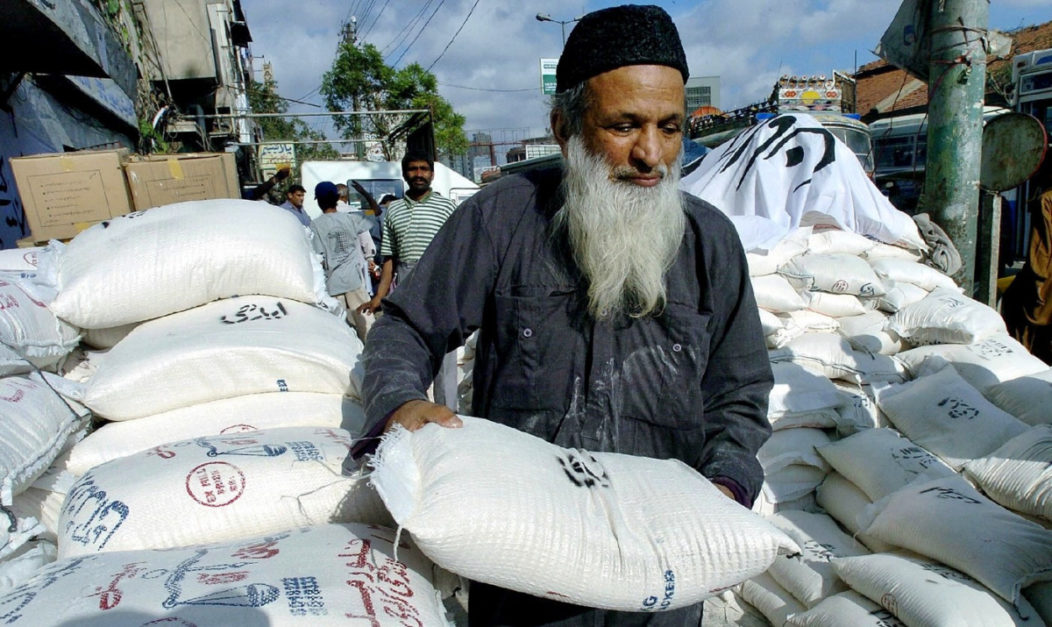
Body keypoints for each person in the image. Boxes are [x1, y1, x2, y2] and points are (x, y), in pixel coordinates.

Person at [355, 5, 773, 625]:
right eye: (624, 125)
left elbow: (739, 394)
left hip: (662, 578)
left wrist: (723, 488)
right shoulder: (501, 218)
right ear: (565, 127)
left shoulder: (710, 243)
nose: (651, 154)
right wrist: (399, 401)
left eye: (670, 126)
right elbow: (405, 330)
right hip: (526, 580)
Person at [358, 152, 459, 409]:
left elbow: (458, 252)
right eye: (413, 169)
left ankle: (447, 412)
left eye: (423, 168)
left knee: (444, 355)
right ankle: (415, 410)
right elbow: (389, 259)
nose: (418, 174)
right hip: (406, 289)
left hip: (440, 286)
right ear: (405, 174)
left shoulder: (447, 207)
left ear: (432, 174)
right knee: (411, 351)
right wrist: (379, 297)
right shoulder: (394, 212)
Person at [309, 182, 377, 340]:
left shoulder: (315, 225)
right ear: (336, 198)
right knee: (365, 319)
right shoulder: (351, 219)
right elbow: (374, 215)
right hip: (354, 279)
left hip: (332, 282)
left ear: (318, 201)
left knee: (337, 325)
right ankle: (372, 348)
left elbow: (318, 255)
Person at [1002, 160, 1052, 364]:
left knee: (1016, 309)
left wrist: (1038, 285)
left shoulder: (1046, 200)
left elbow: (1041, 251)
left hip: (1047, 283)